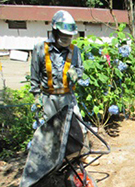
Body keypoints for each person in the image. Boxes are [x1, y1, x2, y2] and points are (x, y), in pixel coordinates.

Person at [30, 10, 97, 164]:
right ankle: (54, 160)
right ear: (55, 31)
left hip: (68, 95)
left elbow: (80, 69)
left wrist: (76, 74)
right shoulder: (40, 49)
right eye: (63, 34)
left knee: (78, 123)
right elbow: (34, 74)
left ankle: (83, 154)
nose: (67, 38)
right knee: (51, 128)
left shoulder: (75, 51)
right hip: (49, 97)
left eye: (70, 35)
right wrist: (36, 97)